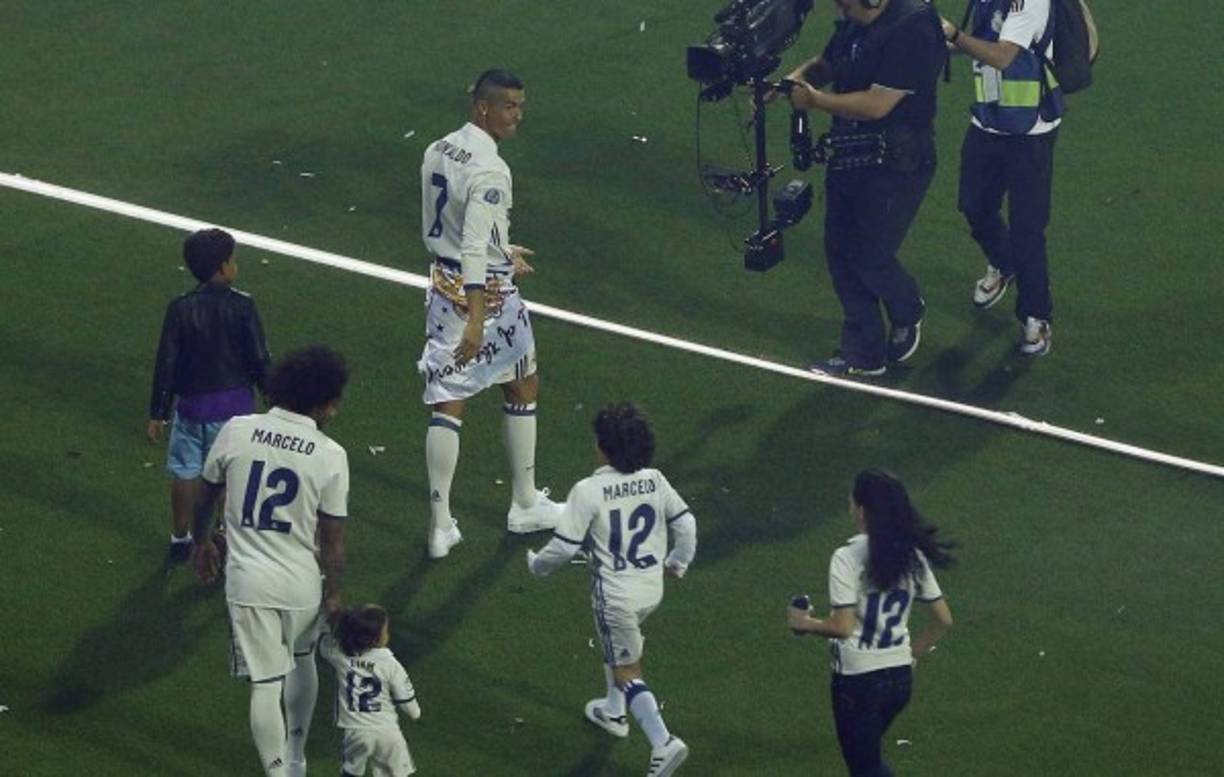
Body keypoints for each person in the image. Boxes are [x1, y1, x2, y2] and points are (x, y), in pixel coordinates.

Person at [418, 67, 561, 560]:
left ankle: (441, 526)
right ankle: (523, 503)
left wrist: (505, 248)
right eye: (510, 107)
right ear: (484, 107)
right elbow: (475, 246)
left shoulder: (437, 148)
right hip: (486, 297)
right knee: (521, 381)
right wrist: (478, 318)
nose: (518, 115)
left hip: (442, 285)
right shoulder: (491, 170)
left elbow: (457, 228)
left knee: (449, 398)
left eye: (521, 106)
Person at [192, 345, 350, 777]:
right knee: (302, 660)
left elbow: (205, 494)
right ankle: (296, 757)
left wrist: (200, 542)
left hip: (251, 584)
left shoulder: (237, 430)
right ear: (320, 402)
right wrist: (334, 595)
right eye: (334, 401)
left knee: (265, 684)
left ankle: (279, 771)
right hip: (302, 585)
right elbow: (333, 541)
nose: (336, 410)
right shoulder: (331, 454)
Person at [527, 402, 697, 777]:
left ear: (602, 446)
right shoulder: (655, 479)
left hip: (616, 597)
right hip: (651, 589)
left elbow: (565, 547)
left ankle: (662, 742)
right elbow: (686, 525)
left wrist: (537, 566)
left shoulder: (588, 490)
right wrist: (677, 563)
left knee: (626, 668)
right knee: (620, 646)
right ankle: (614, 710)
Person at [784, 0, 946, 376]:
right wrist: (795, 81)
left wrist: (814, 100)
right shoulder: (856, 20)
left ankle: (906, 307)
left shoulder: (914, 27)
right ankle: (863, 353)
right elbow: (828, 62)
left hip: (898, 162)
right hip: (849, 151)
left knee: (869, 254)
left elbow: (877, 105)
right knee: (840, 250)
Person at [787, 469, 954, 777]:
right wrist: (913, 654)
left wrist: (804, 623)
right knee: (867, 760)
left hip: (858, 682)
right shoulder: (911, 554)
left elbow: (842, 627)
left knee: (865, 768)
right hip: (899, 681)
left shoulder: (847, 557)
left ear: (861, 510)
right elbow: (943, 619)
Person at [940, 0, 1063, 356]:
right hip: (988, 120)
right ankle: (1005, 263)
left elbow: (1003, 55)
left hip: (1031, 133)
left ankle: (1036, 317)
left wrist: (955, 35)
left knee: (1028, 229)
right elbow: (977, 42)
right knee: (974, 206)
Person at [147, 227, 271, 562]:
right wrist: (274, 400)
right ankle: (224, 533)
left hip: (191, 408)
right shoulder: (243, 306)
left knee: (185, 471)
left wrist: (158, 411)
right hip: (235, 410)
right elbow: (259, 357)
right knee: (228, 476)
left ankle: (179, 537)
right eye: (233, 261)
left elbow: (167, 361)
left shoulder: (180, 308)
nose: (236, 266)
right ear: (222, 267)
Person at [319, 605, 422, 777]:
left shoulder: (339, 654)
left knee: (351, 771)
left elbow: (323, 641)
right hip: (387, 732)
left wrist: (324, 619)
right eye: (385, 630)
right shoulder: (390, 664)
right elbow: (409, 705)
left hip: (355, 732)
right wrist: (416, 714)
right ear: (375, 638)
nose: (388, 633)